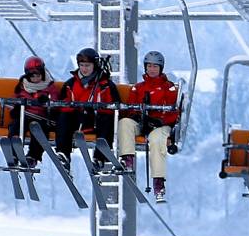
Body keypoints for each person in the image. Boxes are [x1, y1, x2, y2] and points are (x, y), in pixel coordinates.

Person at [130, 50, 183, 202]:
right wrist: (138, 116)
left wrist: (161, 120)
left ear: (161, 68)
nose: (152, 69)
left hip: (161, 126)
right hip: (143, 123)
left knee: (156, 140)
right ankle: (127, 160)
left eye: (155, 66)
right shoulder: (138, 88)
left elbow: (174, 110)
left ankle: (158, 182)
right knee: (125, 125)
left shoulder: (169, 88)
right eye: (149, 66)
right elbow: (130, 107)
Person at [61, 47, 120, 156]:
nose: (84, 69)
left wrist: (97, 109)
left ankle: (100, 156)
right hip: (78, 120)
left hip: (97, 121)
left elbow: (114, 107)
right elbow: (63, 104)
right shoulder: (70, 85)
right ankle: (63, 153)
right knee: (64, 117)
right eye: (82, 65)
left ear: (95, 65)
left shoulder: (105, 85)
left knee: (106, 120)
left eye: (87, 65)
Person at [5, 56, 58, 164]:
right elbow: (14, 99)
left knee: (39, 130)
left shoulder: (49, 87)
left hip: (41, 118)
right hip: (25, 115)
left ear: (42, 74)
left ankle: (33, 156)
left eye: (38, 75)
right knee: (15, 125)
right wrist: (16, 108)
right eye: (32, 76)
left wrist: (47, 103)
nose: (35, 78)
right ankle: (14, 152)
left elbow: (55, 101)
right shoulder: (22, 86)